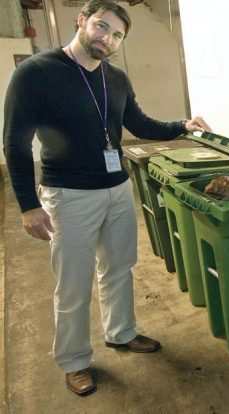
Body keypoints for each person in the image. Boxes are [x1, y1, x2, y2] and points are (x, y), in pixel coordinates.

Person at [2, 0, 210, 396]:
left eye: (117, 35)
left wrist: (182, 124)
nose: (107, 39)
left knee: (119, 268)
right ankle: (75, 360)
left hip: (117, 187)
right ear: (82, 20)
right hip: (68, 194)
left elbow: (139, 123)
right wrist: (28, 205)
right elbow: (14, 142)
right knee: (73, 283)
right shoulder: (36, 73)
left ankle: (121, 332)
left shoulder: (115, 78)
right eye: (102, 27)